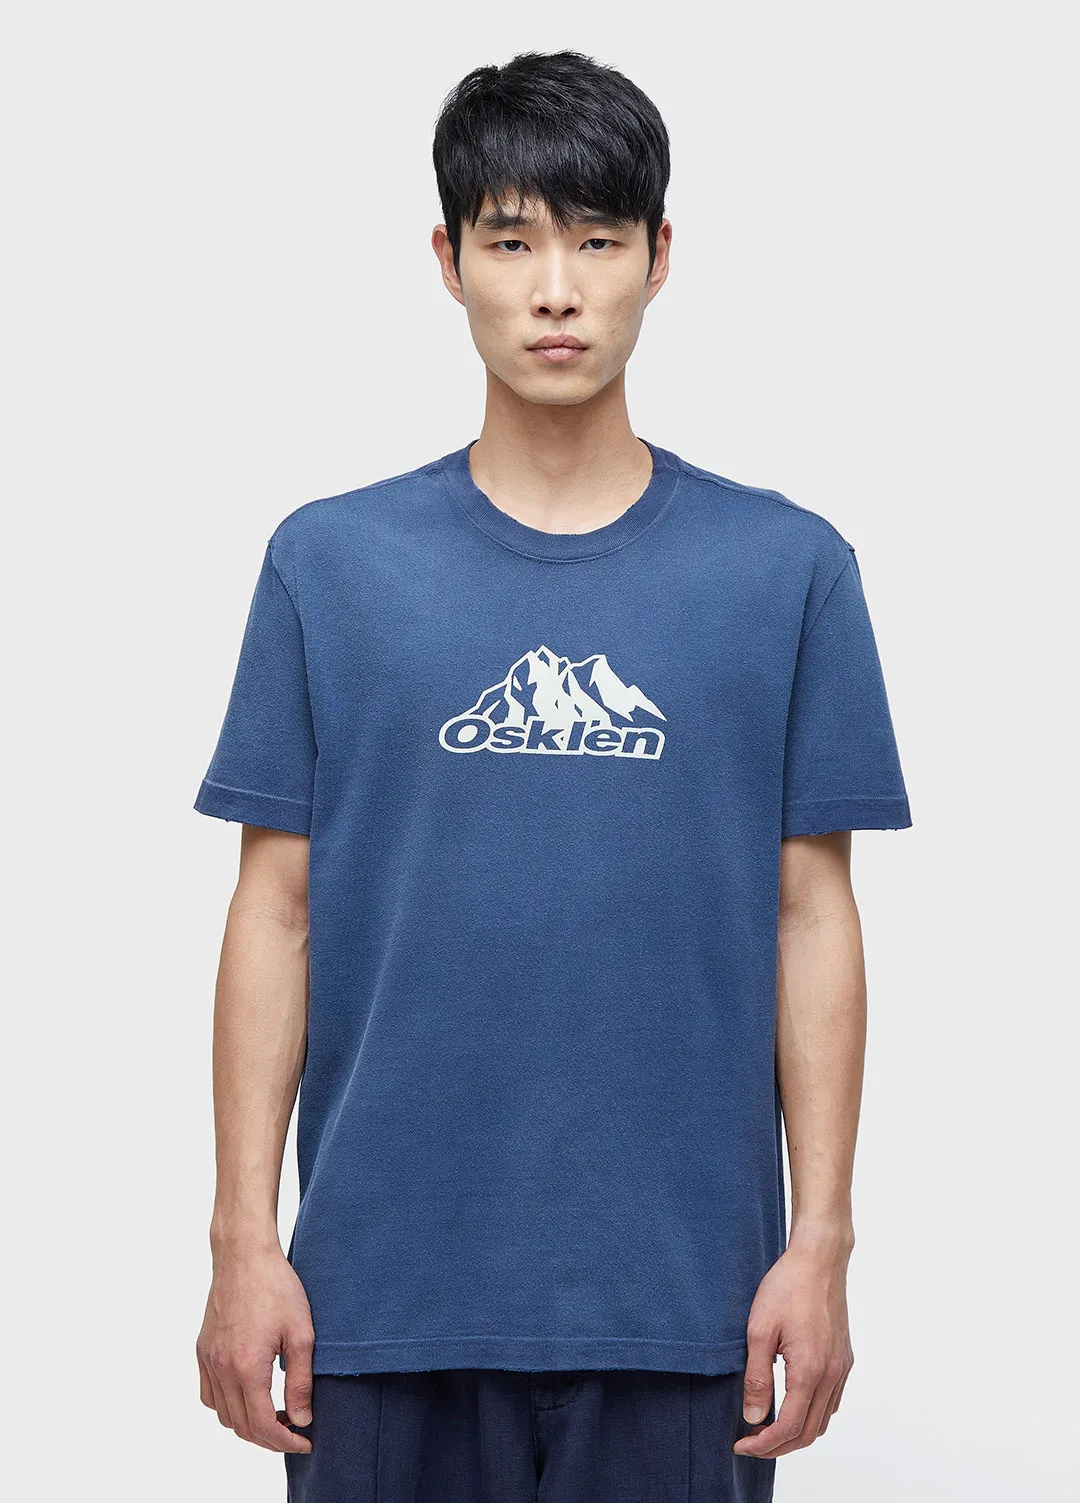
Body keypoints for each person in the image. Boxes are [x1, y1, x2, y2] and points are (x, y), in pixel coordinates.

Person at [193, 48, 912, 1503]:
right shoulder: (331, 564)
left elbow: (810, 917)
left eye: (597, 241)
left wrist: (821, 1239)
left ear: (661, 257)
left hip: (687, 1305)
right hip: (377, 1300)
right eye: (514, 241)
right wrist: (242, 1238)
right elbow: (277, 911)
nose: (557, 291)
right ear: (448, 261)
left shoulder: (786, 570)